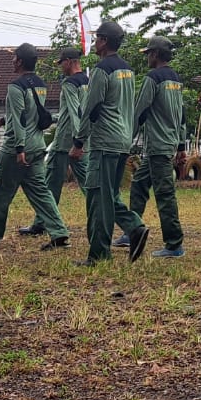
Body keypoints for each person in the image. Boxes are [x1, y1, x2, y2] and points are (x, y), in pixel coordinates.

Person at [0, 44, 72, 251]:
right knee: (41, 192)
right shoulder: (40, 84)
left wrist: (19, 149)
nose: (12, 61)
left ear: (20, 61)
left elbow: (20, 118)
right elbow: (31, 113)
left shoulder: (15, 86)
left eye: (14, 59)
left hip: (15, 149)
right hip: (38, 146)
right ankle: (59, 232)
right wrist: (3, 120)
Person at [69, 20, 147, 265]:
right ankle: (133, 227)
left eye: (96, 39)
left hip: (104, 141)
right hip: (123, 139)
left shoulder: (102, 69)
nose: (94, 43)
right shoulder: (128, 70)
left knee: (99, 198)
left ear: (103, 41)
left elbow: (91, 108)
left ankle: (102, 251)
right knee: (109, 195)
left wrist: (78, 141)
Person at [120, 35, 187, 259]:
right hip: (165, 144)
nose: (147, 57)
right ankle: (132, 229)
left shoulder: (153, 78)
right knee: (139, 185)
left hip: (158, 145)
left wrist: (125, 140)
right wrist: (181, 144)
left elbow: (139, 110)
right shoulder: (176, 79)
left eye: (148, 53)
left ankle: (174, 244)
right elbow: (182, 114)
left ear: (156, 54)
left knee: (165, 195)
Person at [22, 47, 88, 237]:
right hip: (83, 141)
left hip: (66, 143)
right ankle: (105, 217)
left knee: (50, 184)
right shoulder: (87, 81)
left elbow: (76, 113)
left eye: (61, 63)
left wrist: (77, 143)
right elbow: (78, 112)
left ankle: (41, 223)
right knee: (90, 185)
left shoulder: (69, 83)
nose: (61, 68)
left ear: (68, 61)